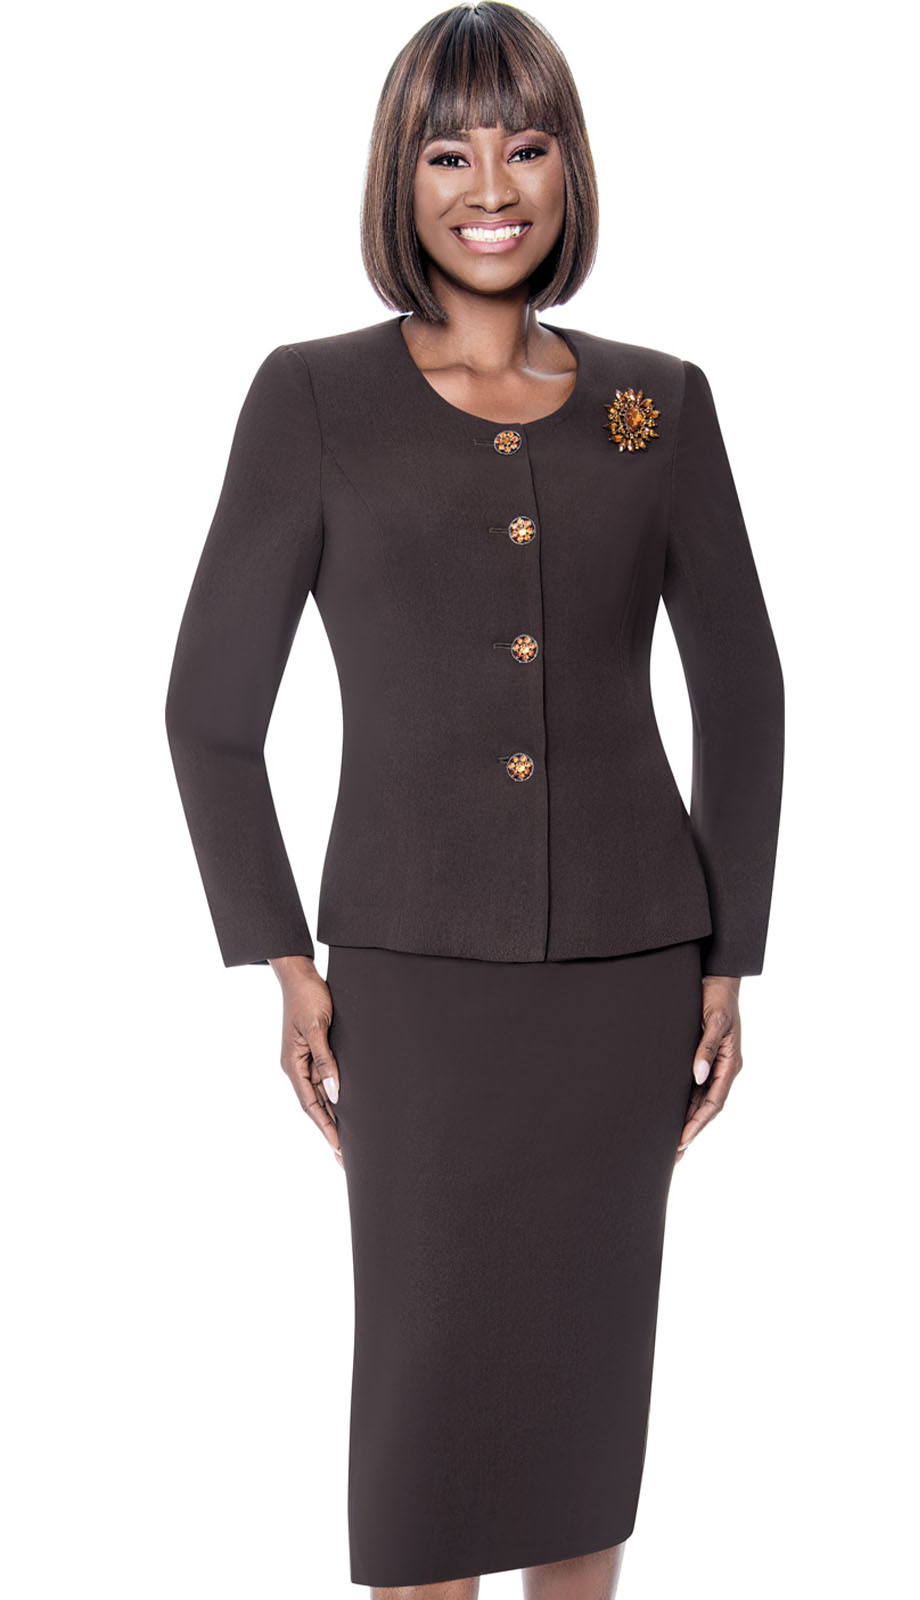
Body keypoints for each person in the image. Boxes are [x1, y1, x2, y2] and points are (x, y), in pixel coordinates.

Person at [164, 4, 785, 1595]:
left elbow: (746, 691)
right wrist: (284, 960)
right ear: (403, 177)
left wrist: (729, 961)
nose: (491, 187)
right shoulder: (312, 398)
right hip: (415, 979)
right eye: (450, 152)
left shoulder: (656, 403)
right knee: (425, 1410)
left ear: (571, 169)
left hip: (629, 977)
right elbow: (210, 716)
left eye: (526, 144)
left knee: (587, 1392)